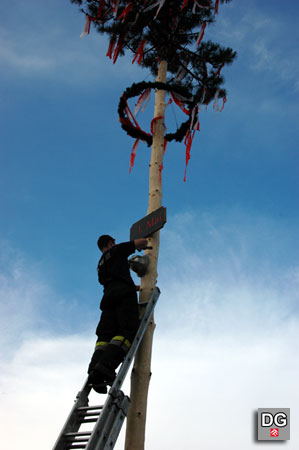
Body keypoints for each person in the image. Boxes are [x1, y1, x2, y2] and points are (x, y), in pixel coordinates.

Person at [88, 234, 148, 393]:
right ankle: (105, 367)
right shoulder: (116, 250)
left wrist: (134, 287)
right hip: (123, 297)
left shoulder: (100, 264)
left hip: (108, 299)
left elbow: (115, 280)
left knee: (104, 337)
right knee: (126, 331)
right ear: (110, 243)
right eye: (113, 242)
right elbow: (140, 242)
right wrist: (147, 243)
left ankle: (94, 370)